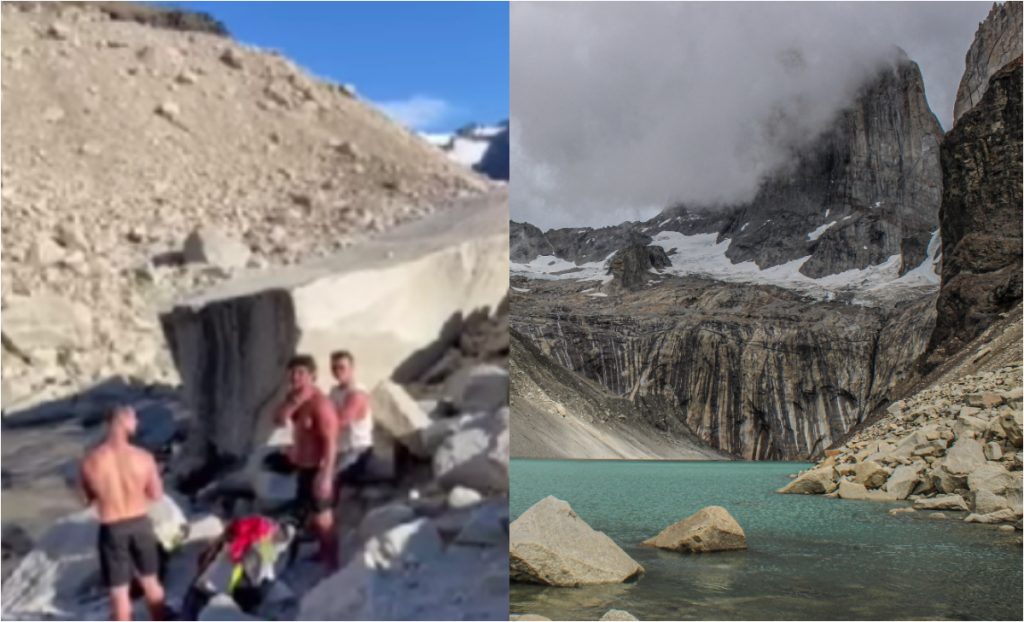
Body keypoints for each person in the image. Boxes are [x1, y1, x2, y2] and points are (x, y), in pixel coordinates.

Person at [79, 406, 167, 622]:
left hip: (112, 527)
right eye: (134, 419)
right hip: (140, 525)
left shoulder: (90, 460)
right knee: (151, 583)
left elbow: (85, 500)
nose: (136, 424)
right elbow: (156, 494)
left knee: (119, 593)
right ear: (123, 422)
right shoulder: (144, 457)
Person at [273, 354, 339, 569]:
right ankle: (321, 553)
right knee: (309, 516)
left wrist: (326, 475)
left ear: (313, 376)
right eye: (292, 372)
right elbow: (278, 420)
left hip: (319, 468)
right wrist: (294, 401)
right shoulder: (296, 400)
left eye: (301, 373)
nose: (295, 377)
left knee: (323, 518)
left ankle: (332, 563)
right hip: (303, 467)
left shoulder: (321, 405)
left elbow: (331, 442)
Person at [327, 350, 374, 490]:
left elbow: (340, 421)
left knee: (329, 480)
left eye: (342, 367)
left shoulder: (357, 393)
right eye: (334, 368)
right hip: (341, 449)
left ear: (351, 369)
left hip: (357, 450)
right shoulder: (335, 391)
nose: (337, 372)